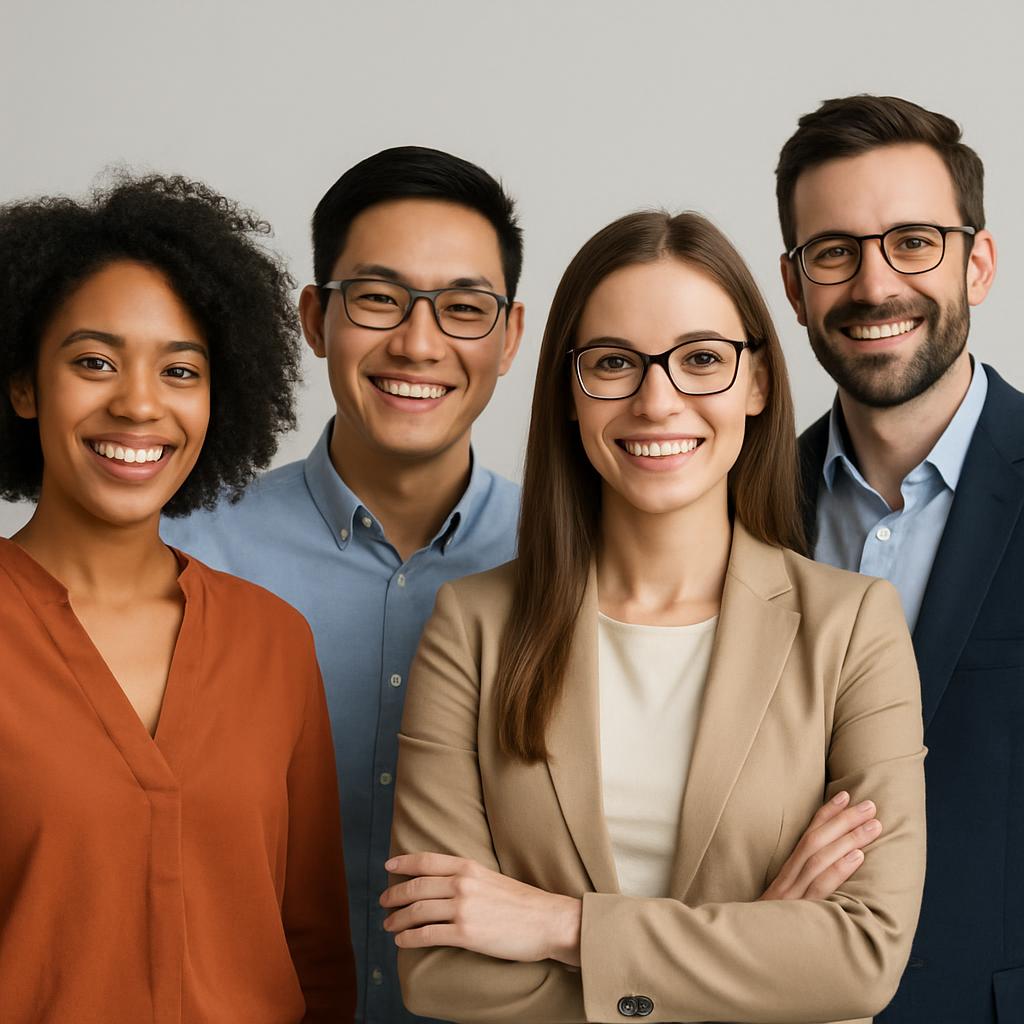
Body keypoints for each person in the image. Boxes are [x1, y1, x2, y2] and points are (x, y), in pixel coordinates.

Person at [382, 210, 927, 1024]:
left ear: (757, 383)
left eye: (701, 359)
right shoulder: (473, 627)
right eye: (613, 363)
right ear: (569, 391)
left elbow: (860, 960)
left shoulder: (852, 629)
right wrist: (760, 945)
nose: (655, 400)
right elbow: (440, 973)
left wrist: (558, 926)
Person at [161, 146, 525, 1023]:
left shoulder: (573, 562)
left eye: (465, 308)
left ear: (511, 339)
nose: (419, 343)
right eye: (378, 298)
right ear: (316, 318)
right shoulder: (182, 550)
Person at [0, 174, 356, 1023]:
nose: (138, 403)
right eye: (94, 361)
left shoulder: (274, 642)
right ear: (23, 386)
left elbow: (314, 952)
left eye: (181, 370)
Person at [777, 94, 1024, 1023]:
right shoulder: (733, 514)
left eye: (914, 241)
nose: (876, 285)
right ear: (795, 286)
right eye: (835, 251)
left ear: (980, 262)